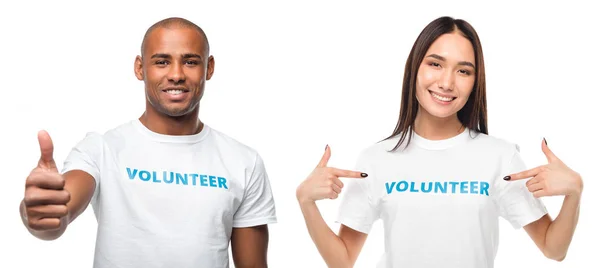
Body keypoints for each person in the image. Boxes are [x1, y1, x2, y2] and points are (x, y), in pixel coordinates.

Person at [296, 16, 583, 268]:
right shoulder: (376, 159)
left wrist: (574, 193)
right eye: (435, 64)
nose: (447, 82)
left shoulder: (499, 157)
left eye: (463, 71)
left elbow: (553, 249)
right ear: (415, 69)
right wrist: (306, 201)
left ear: (475, 81)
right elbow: (342, 260)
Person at [19, 17, 277, 268]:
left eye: (190, 62)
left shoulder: (243, 161)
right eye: (162, 61)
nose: (176, 74)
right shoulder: (101, 149)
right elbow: (59, 214)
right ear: (140, 68)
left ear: (208, 68)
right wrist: (40, 213)